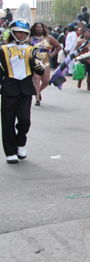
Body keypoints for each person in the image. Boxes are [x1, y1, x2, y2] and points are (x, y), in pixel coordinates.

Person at [1, 20, 45, 163]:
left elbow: (40, 70)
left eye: (25, 33)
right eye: (19, 32)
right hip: (9, 88)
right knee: (7, 121)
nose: (22, 35)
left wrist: (33, 59)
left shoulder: (32, 49)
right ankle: (10, 152)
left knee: (25, 120)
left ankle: (20, 143)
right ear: (13, 33)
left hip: (25, 89)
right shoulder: (3, 49)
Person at [29, 23, 62, 106]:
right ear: (34, 28)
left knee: (46, 81)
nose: (39, 28)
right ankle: (37, 99)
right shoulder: (30, 38)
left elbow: (58, 46)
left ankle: (38, 91)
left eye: (41, 27)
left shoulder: (48, 38)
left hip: (46, 62)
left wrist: (52, 54)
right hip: (35, 62)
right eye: (37, 27)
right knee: (36, 80)